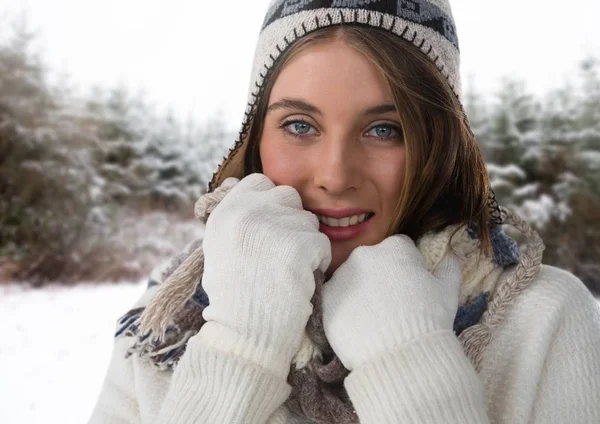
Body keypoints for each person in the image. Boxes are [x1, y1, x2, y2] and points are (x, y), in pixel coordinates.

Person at [89, 1, 600, 423]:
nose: (334, 175)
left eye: (384, 130)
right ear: (256, 137)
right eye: (299, 125)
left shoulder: (543, 318)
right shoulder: (173, 308)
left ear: (439, 144)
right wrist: (241, 341)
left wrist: (408, 362)